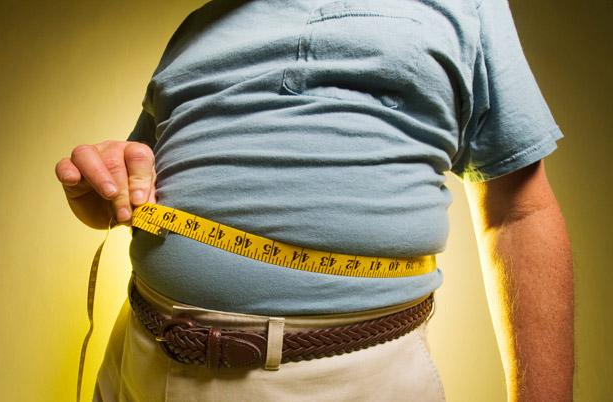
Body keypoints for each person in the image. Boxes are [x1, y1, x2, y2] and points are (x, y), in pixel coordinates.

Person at [56, 0, 573, 400]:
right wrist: (100, 189)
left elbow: (519, 211)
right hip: (139, 361)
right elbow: (136, 191)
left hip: (350, 378)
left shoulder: (461, 7)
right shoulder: (198, 25)